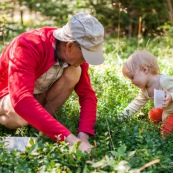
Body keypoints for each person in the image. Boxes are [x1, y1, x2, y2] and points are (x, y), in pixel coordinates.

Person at [0, 12, 104, 152]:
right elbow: (21, 100)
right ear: (70, 46)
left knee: (75, 71)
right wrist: (71, 140)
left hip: (34, 96)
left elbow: (87, 95)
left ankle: (40, 132)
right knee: (21, 114)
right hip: (8, 98)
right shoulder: (28, 45)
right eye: (86, 54)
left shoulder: (75, 57)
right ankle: (8, 142)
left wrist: (83, 136)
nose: (87, 60)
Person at [120, 50, 173, 136]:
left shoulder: (165, 81)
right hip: (167, 110)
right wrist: (120, 118)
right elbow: (135, 104)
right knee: (152, 114)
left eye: (132, 77)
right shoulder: (145, 90)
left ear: (144, 69)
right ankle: (160, 123)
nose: (132, 82)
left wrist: (171, 96)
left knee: (166, 130)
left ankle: (164, 133)